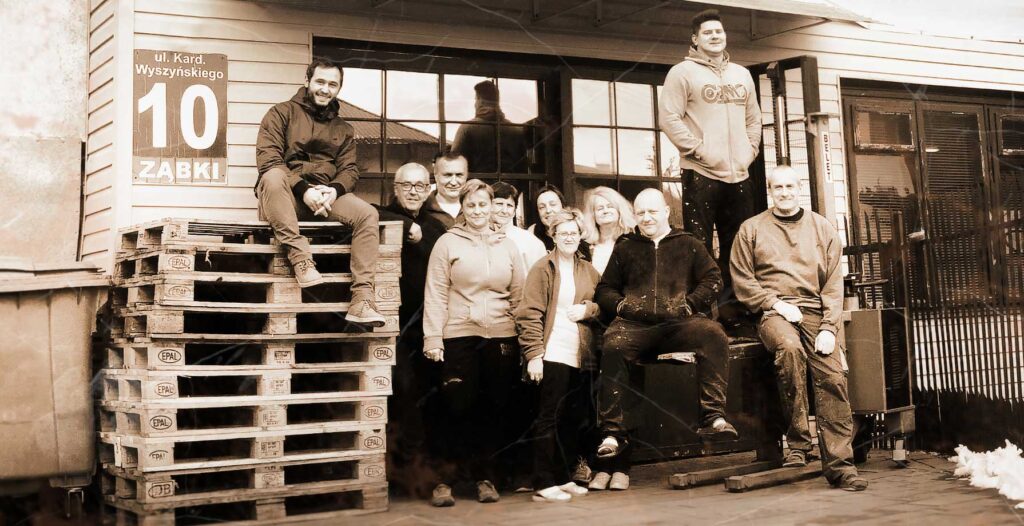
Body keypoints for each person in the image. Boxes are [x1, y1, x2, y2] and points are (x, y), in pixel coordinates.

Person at [730, 165, 868, 491]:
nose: (784, 193)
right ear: (770, 191)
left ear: (799, 188)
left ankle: (841, 467)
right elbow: (742, 280)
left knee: (832, 376)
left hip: (816, 313)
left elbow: (833, 285)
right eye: (778, 187)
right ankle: (798, 445)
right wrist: (775, 304)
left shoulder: (822, 228)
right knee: (789, 349)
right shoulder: (751, 229)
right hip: (773, 312)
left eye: (790, 186)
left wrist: (829, 328)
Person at [594, 189, 737, 490]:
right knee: (613, 344)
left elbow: (713, 279)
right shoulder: (626, 247)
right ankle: (613, 433)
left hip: (678, 323)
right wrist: (622, 307)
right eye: (641, 213)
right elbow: (605, 289)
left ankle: (712, 417)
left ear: (666, 212)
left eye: (652, 212)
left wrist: (690, 304)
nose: (646, 218)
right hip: (635, 325)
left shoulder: (688, 244)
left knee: (713, 335)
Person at [255, 58, 385, 326]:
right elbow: (269, 159)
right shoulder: (280, 113)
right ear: (307, 81)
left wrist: (334, 191)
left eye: (332, 84)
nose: (325, 89)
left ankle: (362, 300)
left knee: (367, 214)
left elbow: (349, 170)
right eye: (320, 82)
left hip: (325, 199)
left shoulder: (344, 129)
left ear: (339, 88)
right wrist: (303, 190)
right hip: (285, 197)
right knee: (272, 176)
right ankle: (301, 259)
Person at [422, 179, 526, 506]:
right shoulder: (447, 243)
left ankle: (486, 479)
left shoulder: (508, 245)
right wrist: (433, 336)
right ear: (463, 208)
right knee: (456, 407)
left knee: (493, 409)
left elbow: (519, 296)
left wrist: (525, 341)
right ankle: (444, 482)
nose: (478, 211)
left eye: (483, 204)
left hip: (501, 335)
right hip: (459, 334)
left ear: (492, 206)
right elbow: (436, 292)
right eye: (471, 205)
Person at [659, 8, 761, 327]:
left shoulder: (742, 75)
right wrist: (699, 151)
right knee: (698, 246)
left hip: (739, 174)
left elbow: (754, 119)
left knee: (737, 246)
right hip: (700, 173)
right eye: (707, 32)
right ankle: (701, 311)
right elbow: (669, 118)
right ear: (695, 39)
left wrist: (749, 151)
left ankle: (732, 313)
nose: (715, 36)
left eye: (719, 31)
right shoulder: (682, 73)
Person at [373, 163, 448, 497]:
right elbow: (363, 211)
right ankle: (405, 473)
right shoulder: (380, 216)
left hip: (429, 325)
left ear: (428, 189)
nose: (414, 191)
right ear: (396, 187)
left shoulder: (437, 227)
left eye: (420, 185)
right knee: (402, 393)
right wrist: (405, 225)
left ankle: (424, 472)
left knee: (428, 394)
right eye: (407, 185)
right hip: (393, 324)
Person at [516, 209, 601, 503]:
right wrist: (534, 354)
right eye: (563, 232)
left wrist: (588, 310)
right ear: (553, 235)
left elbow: (603, 304)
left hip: (580, 352)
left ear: (580, 236)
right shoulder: (542, 268)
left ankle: (563, 477)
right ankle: (543, 481)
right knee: (548, 416)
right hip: (551, 350)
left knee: (571, 417)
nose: (568, 237)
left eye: (573, 233)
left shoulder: (588, 270)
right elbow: (529, 313)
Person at [579, 186, 635, 490]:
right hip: (593, 326)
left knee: (624, 393)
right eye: (597, 207)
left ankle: (622, 467)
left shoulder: (632, 242)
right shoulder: (586, 247)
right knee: (596, 396)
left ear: (619, 208)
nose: (603, 210)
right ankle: (601, 467)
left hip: (627, 326)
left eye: (608, 205)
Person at [451, 80, 529, 174]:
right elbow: (523, 167)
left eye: (476, 99)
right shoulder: (516, 131)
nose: (475, 104)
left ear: (480, 100)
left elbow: (454, 164)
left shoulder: (467, 128)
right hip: (511, 182)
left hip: (476, 182)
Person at [492, 182, 546, 274]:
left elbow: (540, 277)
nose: (504, 210)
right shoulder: (477, 237)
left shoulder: (530, 241)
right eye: (499, 204)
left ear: (514, 211)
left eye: (509, 205)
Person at [582, 186, 636, 275]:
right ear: (593, 215)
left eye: (610, 206)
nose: (605, 211)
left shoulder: (633, 243)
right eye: (600, 208)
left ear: (619, 211)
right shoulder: (584, 248)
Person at [529, 185, 592, 260]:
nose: (548, 210)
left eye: (553, 204)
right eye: (542, 207)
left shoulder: (580, 237)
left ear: (562, 206)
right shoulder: (532, 237)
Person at [420, 152, 468, 229]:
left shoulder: (478, 208)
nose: (453, 182)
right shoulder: (421, 209)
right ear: (436, 175)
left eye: (459, 175)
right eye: (448, 175)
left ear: (466, 175)